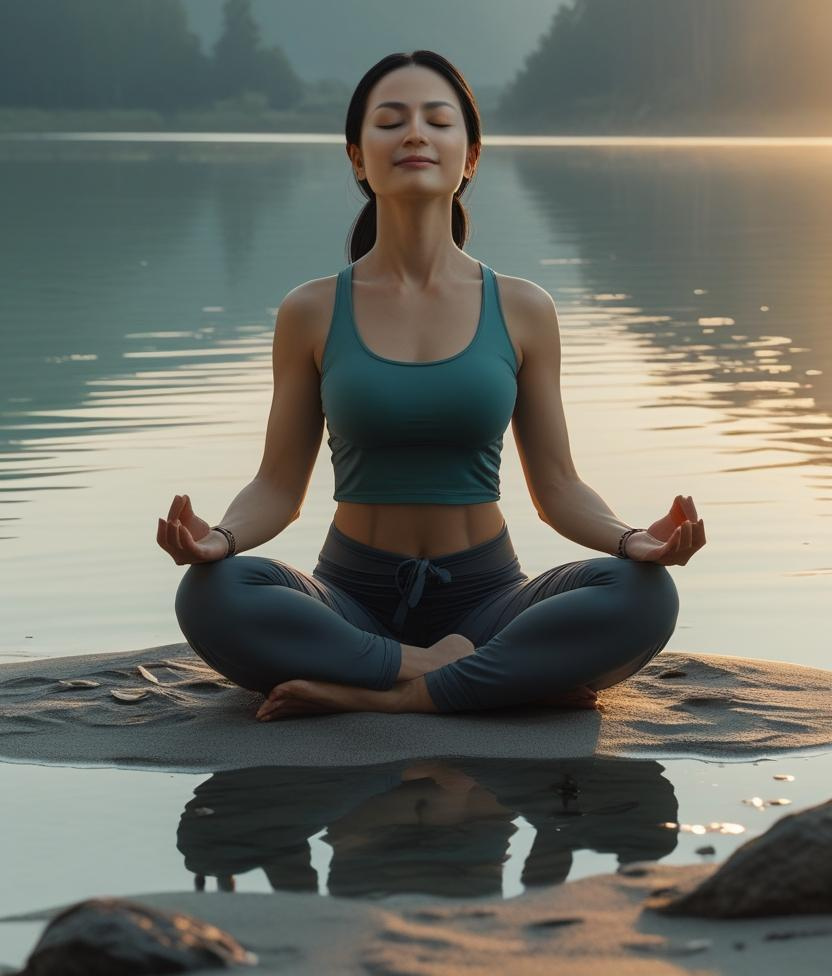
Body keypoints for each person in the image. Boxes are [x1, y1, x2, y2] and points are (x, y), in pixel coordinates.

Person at [159, 50, 705, 721]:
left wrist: (631, 541)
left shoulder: (524, 308)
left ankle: (391, 696)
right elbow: (277, 487)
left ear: (469, 155)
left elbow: (558, 488)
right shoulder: (312, 310)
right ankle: (461, 679)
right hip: (348, 604)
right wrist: (222, 541)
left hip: (489, 601)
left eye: (436, 120)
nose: (415, 133)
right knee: (212, 593)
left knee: (643, 595)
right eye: (390, 121)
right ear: (358, 157)